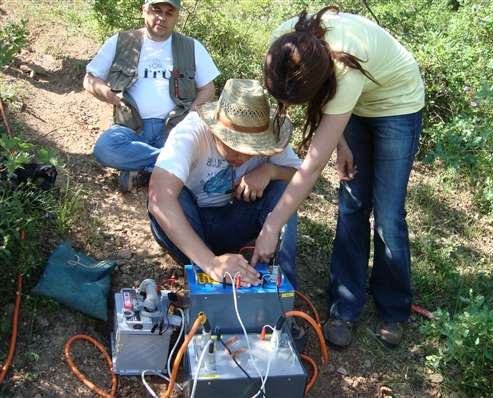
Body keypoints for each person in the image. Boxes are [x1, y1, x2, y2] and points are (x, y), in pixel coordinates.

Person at [253, 6, 425, 348]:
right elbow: (326, 101)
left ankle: (393, 309)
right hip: (351, 104)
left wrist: (272, 227)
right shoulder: (283, 48)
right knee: (351, 206)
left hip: (397, 104)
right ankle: (345, 305)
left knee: (388, 214)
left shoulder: (345, 62)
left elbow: (312, 166)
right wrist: (341, 141)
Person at [148, 79, 300, 289]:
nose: (242, 156)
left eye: (251, 148)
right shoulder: (191, 132)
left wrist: (270, 171)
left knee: (284, 191)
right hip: (192, 225)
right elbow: (159, 198)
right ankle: (205, 273)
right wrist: (211, 263)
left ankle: (282, 291)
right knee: (175, 194)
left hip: (233, 221)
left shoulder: (269, 134)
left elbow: (301, 178)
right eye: (234, 145)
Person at [83, 0, 219, 192]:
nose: (162, 17)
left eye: (169, 13)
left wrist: (191, 114)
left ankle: (143, 171)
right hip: (131, 129)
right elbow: (90, 79)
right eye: (156, 10)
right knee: (105, 148)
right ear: (144, 10)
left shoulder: (192, 47)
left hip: (173, 130)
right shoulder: (121, 42)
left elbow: (208, 89)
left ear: (177, 17)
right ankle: (172, 163)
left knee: (194, 144)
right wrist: (106, 93)